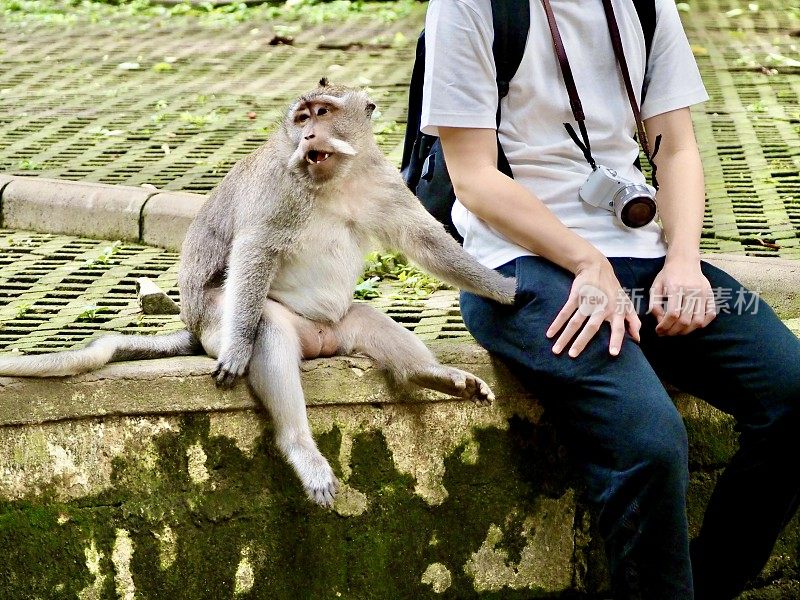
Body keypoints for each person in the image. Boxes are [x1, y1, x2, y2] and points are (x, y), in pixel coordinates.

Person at [419, 0, 800, 598]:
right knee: (649, 442)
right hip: (521, 263)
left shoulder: (646, 5)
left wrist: (681, 261)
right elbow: (472, 176)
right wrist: (586, 261)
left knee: (793, 393)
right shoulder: (470, 7)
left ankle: (708, 584)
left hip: (644, 256)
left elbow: (675, 149)